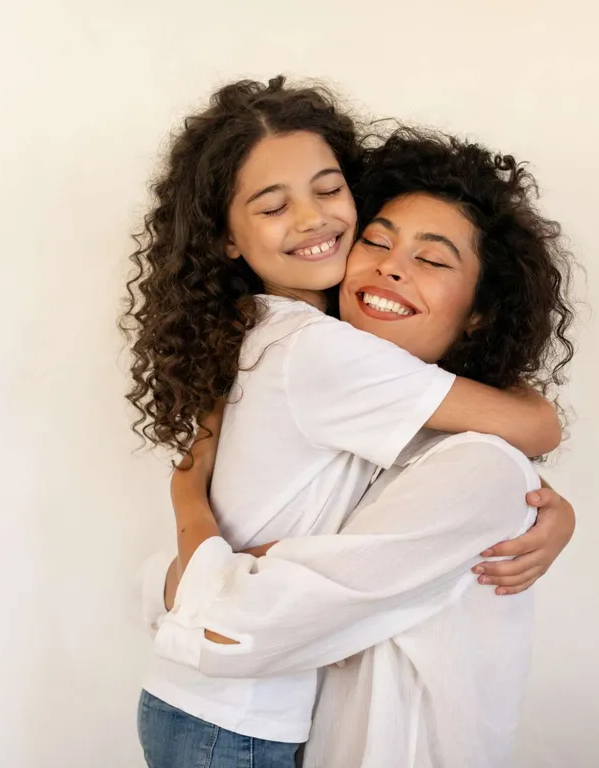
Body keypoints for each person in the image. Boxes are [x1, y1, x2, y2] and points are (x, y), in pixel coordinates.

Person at [137, 127, 576, 767]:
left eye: (433, 260)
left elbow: (205, 605)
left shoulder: (465, 456)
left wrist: (197, 520)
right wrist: (209, 547)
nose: (392, 266)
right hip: (233, 720)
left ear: (481, 311)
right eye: (377, 240)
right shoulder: (323, 361)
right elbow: (205, 607)